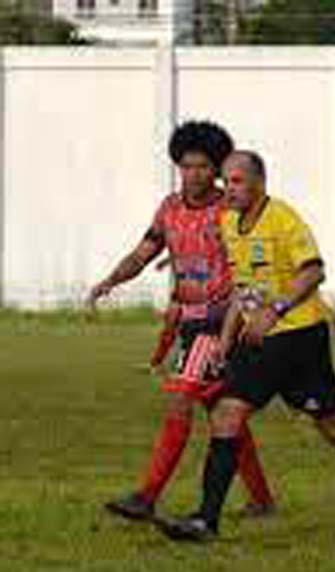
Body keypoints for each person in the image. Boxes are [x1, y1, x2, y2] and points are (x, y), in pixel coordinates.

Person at [155, 150, 335, 543]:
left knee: (334, 425)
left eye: (236, 181)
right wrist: (224, 339)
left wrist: (277, 309)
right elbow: (241, 289)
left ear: (259, 183)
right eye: (226, 180)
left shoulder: (283, 218)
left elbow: (314, 271)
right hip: (261, 342)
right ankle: (205, 521)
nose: (228, 188)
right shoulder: (230, 223)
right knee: (227, 414)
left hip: (300, 340)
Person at [87, 123, 275, 521]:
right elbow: (142, 253)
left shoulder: (230, 208)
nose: (194, 174)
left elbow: (257, 259)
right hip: (190, 323)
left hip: (221, 320)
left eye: (203, 166)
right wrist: (110, 281)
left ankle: (147, 496)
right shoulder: (169, 208)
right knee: (224, 411)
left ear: (218, 169)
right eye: (186, 166)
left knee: (181, 397)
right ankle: (261, 500)